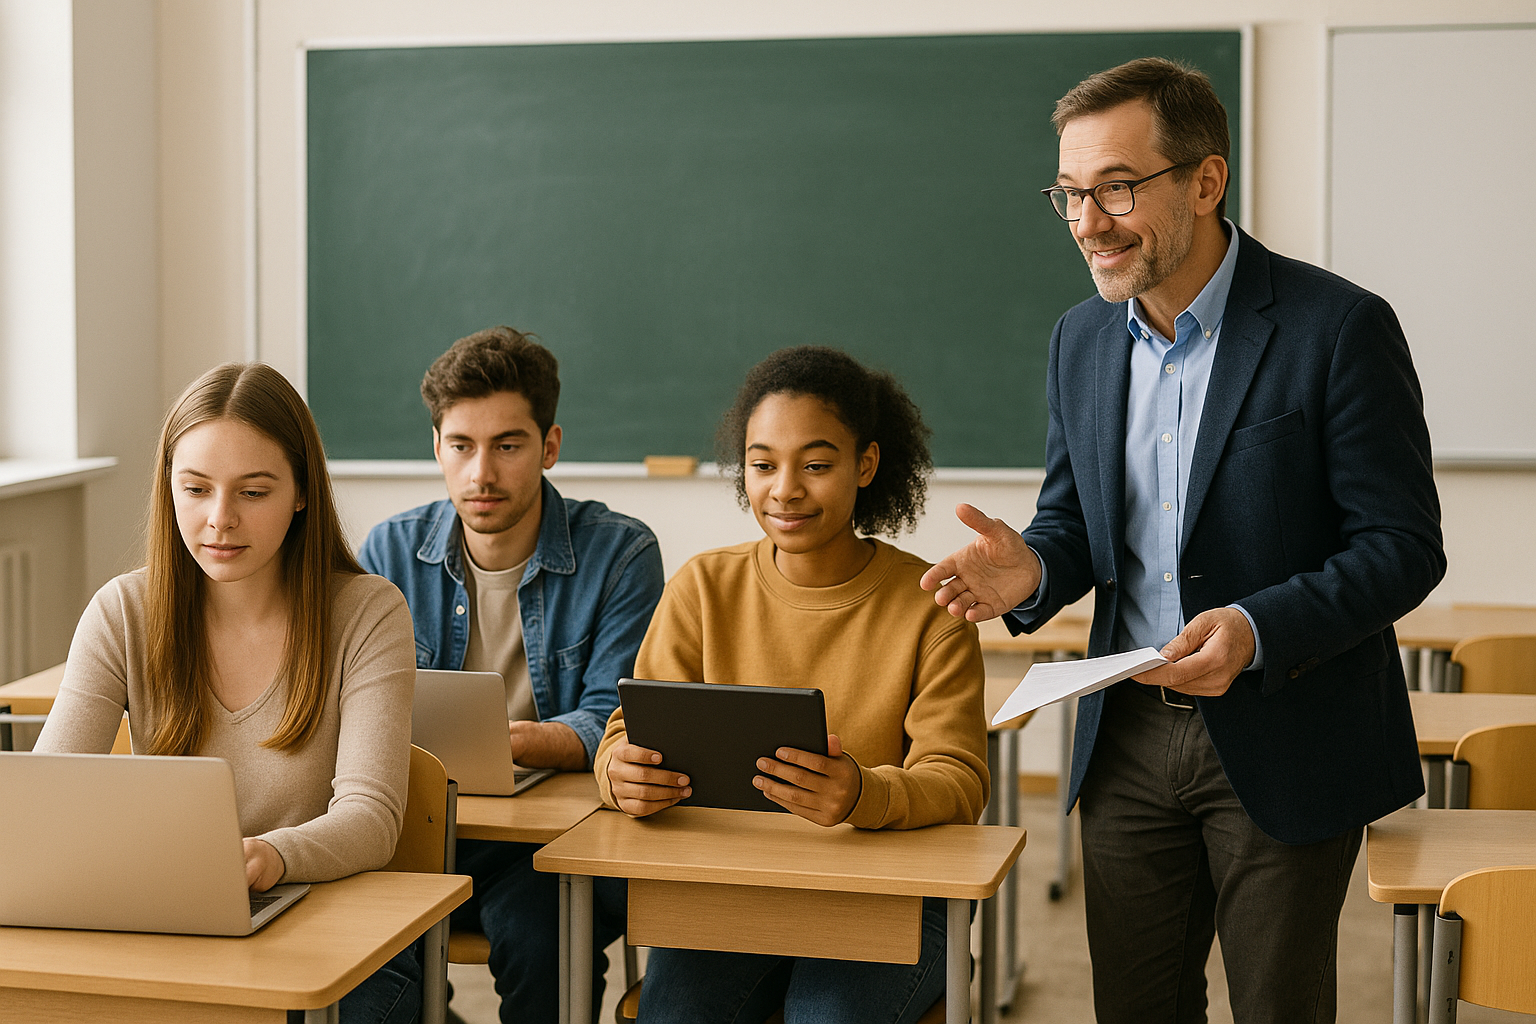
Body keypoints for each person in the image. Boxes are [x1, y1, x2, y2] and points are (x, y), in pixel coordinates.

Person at [921, 57, 1446, 1024]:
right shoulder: (1080, 338)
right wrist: (1033, 566)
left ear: (1206, 181)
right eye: (1070, 194)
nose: (1088, 221)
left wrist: (1253, 628)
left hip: (1285, 726)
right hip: (1126, 731)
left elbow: (1402, 547)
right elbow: (1078, 522)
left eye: (1117, 188)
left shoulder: (1337, 328)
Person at [595, 345, 989, 1024]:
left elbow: (959, 779)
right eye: (762, 464)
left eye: (815, 465)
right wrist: (617, 773)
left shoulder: (930, 606)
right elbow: (626, 733)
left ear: (864, 465)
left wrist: (863, 792)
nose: (784, 490)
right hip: (732, 891)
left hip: (888, 899)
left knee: (824, 1017)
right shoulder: (702, 587)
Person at [36, 362, 421, 1024]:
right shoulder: (122, 611)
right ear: (169, 489)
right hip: (176, 926)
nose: (219, 520)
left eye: (253, 491)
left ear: (301, 492)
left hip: (336, 933)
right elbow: (45, 801)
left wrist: (272, 855)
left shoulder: (367, 612)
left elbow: (372, 818)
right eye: (196, 488)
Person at [357, 326, 664, 1024]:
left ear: (550, 446)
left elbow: (610, 719)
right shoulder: (390, 550)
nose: (481, 474)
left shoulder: (620, 553)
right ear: (436, 446)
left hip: (556, 840)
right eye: (460, 446)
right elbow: (362, 709)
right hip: (425, 827)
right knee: (358, 957)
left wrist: (514, 741)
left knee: (540, 940)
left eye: (508, 446)